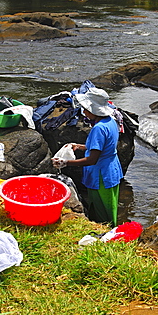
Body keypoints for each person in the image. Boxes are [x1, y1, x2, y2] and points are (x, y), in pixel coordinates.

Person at [52, 87, 123, 227]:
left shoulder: (99, 128)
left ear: (95, 110)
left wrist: (66, 163)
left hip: (101, 174)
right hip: (111, 168)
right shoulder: (110, 121)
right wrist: (80, 146)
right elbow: (103, 146)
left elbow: (93, 159)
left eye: (86, 109)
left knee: (103, 210)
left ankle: (107, 235)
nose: (83, 112)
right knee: (109, 205)